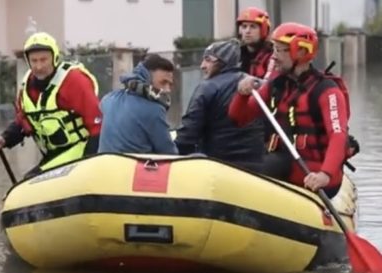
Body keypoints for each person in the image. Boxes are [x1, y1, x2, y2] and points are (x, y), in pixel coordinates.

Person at [228, 22, 350, 197]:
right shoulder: (276, 86)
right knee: (246, 165)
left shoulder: (327, 91)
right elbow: (238, 118)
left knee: (264, 167)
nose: (273, 57)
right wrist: (241, 94)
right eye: (273, 49)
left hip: (315, 172)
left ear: (300, 52)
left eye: (279, 50)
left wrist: (325, 174)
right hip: (283, 163)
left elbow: (338, 135)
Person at [0, 32, 102, 178]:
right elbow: (24, 123)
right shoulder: (26, 86)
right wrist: (4, 139)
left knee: (30, 181)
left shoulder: (74, 80)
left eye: (44, 60)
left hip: (80, 150)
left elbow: (98, 126)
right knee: (28, 183)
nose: (39, 66)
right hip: (55, 155)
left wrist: (87, 166)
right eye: (34, 61)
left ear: (54, 58)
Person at [174, 38, 264, 172]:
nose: (202, 65)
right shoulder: (257, 85)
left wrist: (171, 153)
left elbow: (189, 131)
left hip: (218, 166)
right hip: (257, 167)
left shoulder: (208, 87)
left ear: (223, 62)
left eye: (208, 59)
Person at [97, 53, 178, 155]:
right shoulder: (154, 110)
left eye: (169, 84)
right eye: (163, 83)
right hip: (134, 169)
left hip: (103, 166)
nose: (167, 90)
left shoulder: (108, 100)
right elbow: (170, 154)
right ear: (146, 78)